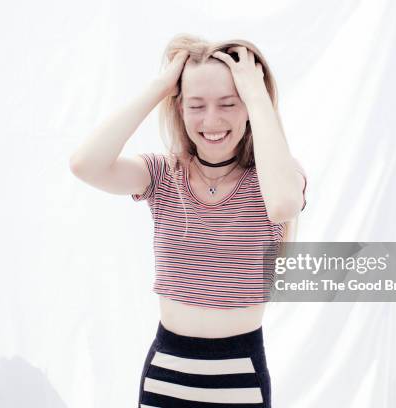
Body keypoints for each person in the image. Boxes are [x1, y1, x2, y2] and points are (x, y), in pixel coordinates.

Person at [70, 33, 307, 408]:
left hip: (240, 375)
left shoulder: (275, 177)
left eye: (229, 103)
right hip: (167, 372)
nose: (211, 120)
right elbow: (85, 164)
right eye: (196, 105)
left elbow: (282, 205)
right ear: (179, 109)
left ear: (248, 106)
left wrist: (257, 93)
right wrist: (160, 86)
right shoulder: (164, 173)